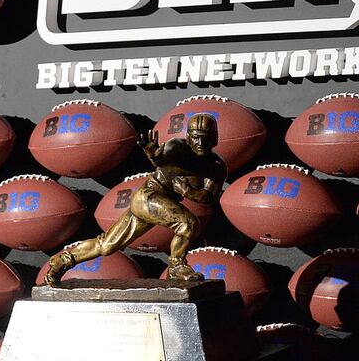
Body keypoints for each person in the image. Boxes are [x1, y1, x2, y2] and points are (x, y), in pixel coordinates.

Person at [44, 113, 227, 286]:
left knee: (107, 245)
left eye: (206, 137)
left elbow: (208, 197)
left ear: (215, 138)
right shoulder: (178, 147)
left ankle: (62, 260)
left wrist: (188, 192)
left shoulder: (216, 166)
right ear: (188, 136)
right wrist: (152, 153)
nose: (200, 142)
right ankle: (177, 266)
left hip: (159, 204)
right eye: (196, 137)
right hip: (148, 197)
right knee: (188, 223)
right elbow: (161, 159)